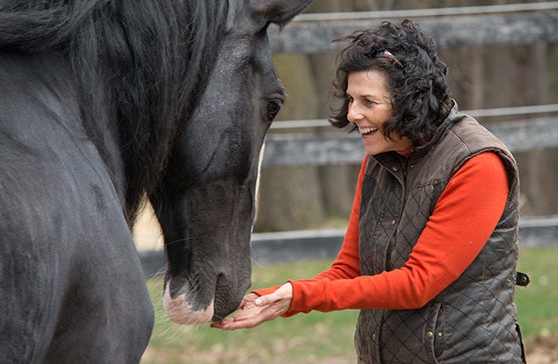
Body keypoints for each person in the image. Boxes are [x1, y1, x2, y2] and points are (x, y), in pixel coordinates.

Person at [213, 19, 527, 363]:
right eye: (350, 99)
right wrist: (274, 298)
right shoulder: (380, 158)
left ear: (411, 101)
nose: (352, 113)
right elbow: (350, 269)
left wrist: (300, 296)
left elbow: (417, 284)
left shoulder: (477, 163)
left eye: (367, 101)